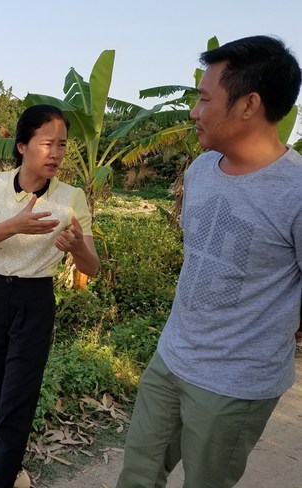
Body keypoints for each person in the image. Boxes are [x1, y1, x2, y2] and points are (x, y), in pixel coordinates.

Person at [116, 35, 302, 488]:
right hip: (171, 357)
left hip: (235, 386)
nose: (194, 111)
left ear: (248, 105)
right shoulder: (199, 171)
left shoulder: (295, 192)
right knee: (136, 475)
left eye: (203, 98)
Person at [0, 104, 100, 488]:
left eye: (62, 145)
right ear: (22, 145)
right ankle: (11, 470)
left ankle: (1, 479)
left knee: (18, 400)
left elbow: (91, 266)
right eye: (47, 144)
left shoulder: (72, 198)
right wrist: (15, 224)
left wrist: (77, 247)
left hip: (35, 300)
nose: (56, 153)